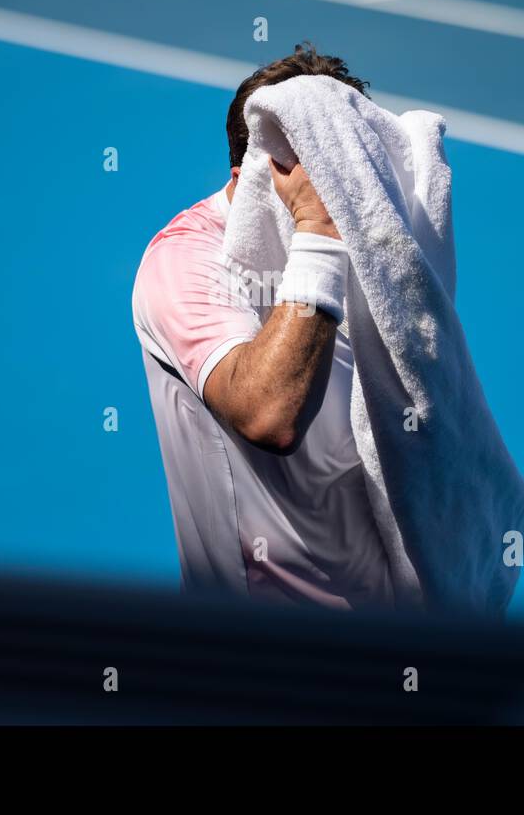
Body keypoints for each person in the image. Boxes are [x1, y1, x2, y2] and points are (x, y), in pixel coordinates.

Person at [132, 44, 398, 610]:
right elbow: (267, 415)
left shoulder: (369, 240)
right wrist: (318, 229)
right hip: (262, 646)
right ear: (249, 180)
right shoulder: (183, 261)